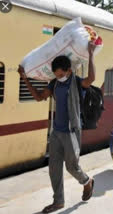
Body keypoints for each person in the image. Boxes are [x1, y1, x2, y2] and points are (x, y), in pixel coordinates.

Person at [17, 43, 96, 213]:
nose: (58, 77)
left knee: (72, 167)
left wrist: (91, 54)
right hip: (56, 132)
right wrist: (24, 78)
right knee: (54, 168)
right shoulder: (54, 84)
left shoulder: (76, 82)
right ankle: (58, 201)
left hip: (71, 132)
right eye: (56, 74)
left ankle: (87, 181)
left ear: (68, 71)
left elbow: (91, 80)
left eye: (60, 74)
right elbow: (39, 97)